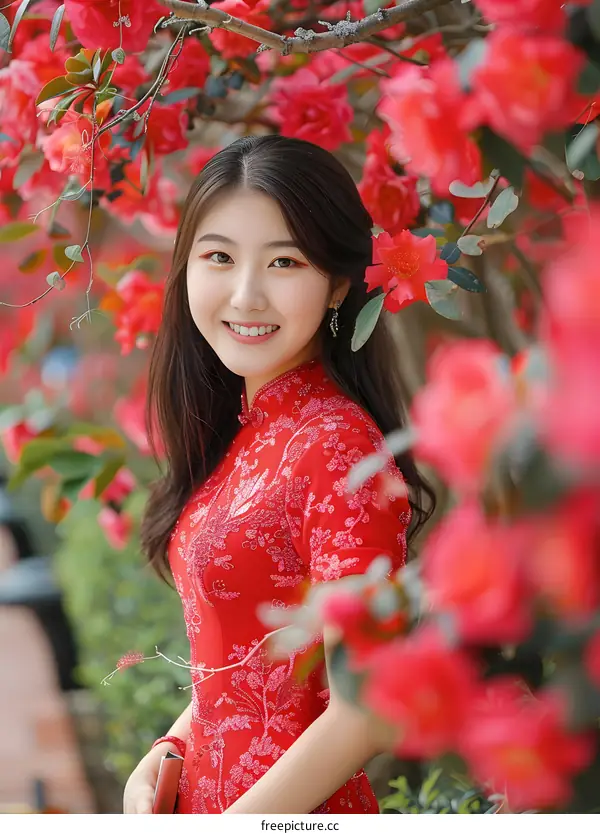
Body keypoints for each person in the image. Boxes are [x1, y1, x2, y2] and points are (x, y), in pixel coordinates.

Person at [123, 135, 435, 814]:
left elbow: (369, 708)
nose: (246, 294)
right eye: (219, 257)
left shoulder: (339, 446)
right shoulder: (245, 431)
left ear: (338, 285)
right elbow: (249, 668)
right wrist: (167, 752)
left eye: (284, 261)